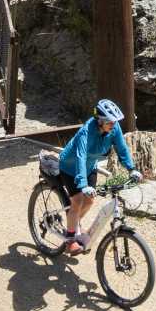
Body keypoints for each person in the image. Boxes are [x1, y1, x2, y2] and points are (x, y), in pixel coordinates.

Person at [57, 98, 142, 255]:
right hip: (71, 166)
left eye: (115, 122)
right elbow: (80, 157)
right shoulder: (86, 132)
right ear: (100, 121)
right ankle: (70, 241)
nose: (114, 125)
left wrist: (132, 169)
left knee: (89, 201)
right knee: (77, 201)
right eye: (110, 122)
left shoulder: (113, 130)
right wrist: (83, 185)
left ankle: (73, 223)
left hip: (90, 166)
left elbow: (122, 148)